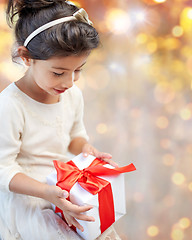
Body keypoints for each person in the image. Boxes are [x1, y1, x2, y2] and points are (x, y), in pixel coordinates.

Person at [0, 0, 121, 239]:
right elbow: (3, 169)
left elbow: (74, 138)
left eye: (78, 70)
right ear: (26, 57)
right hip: (31, 196)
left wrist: (86, 150)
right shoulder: (10, 106)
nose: (69, 82)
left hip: (64, 188)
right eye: (58, 73)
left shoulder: (72, 95)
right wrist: (47, 192)